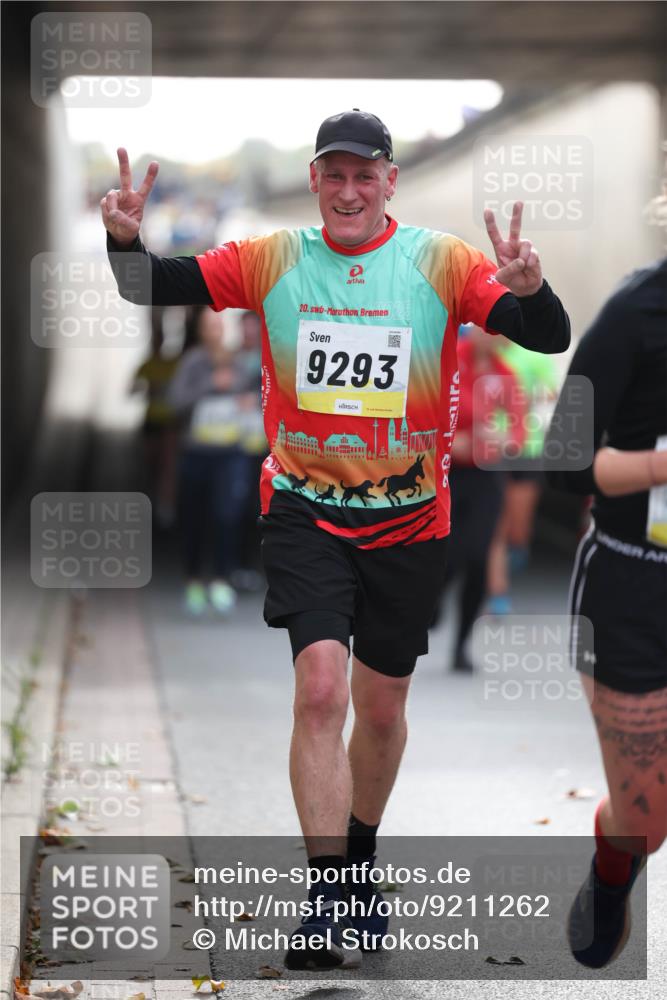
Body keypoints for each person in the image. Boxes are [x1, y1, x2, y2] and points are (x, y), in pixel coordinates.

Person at [102, 109, 570, 971]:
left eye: (365, 174)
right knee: (320, 690)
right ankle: (327, 902)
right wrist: (125, 241)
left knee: (381, 709)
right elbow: (149, 286)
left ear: (389, 181)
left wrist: (530, 289)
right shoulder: (271, 258)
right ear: (315, 181)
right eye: (334, 174)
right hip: (303, 510)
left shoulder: (440, 260)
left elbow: (549, 336)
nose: (349, 190)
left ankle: (358, 859)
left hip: (409, 519)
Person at [545, 241, 666, 966]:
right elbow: (565, 461)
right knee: (645, 818)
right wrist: (659, 463)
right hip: (633, 585)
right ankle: (613, 867)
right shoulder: (636, 312)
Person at [441, 323, 527, 671]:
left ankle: (461, 642)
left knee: (477, 556)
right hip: (444, 472)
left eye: (499, 330)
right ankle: (430, 602)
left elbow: (519, 429)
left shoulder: (506, 375)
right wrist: (450, 441)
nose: (493, 335)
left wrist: (503, 437)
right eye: (486, 328)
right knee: (443, 549)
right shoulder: (445, 362)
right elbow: (420, 414)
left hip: (486, 475)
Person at [168, 306, 255, 615]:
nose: (215, 331)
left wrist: (248, 403)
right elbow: (175, 400)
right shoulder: (193, 362)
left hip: (231, 452)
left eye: (219, 325)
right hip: (197, 453)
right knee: (193, 518)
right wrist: (209, 387)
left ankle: (221, 577)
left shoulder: (240, 364)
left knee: (227, 514)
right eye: (209, 326)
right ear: (201, 330)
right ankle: (193, 579)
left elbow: (257, 399)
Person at [486, 340, 558, 614]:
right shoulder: (488, 351)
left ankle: (516, 554)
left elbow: (551, 391)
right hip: (493, 448)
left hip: (526, 448)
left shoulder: (534, 353)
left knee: (518, 530)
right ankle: (497, 592)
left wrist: (524, 397)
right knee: (496, 526)